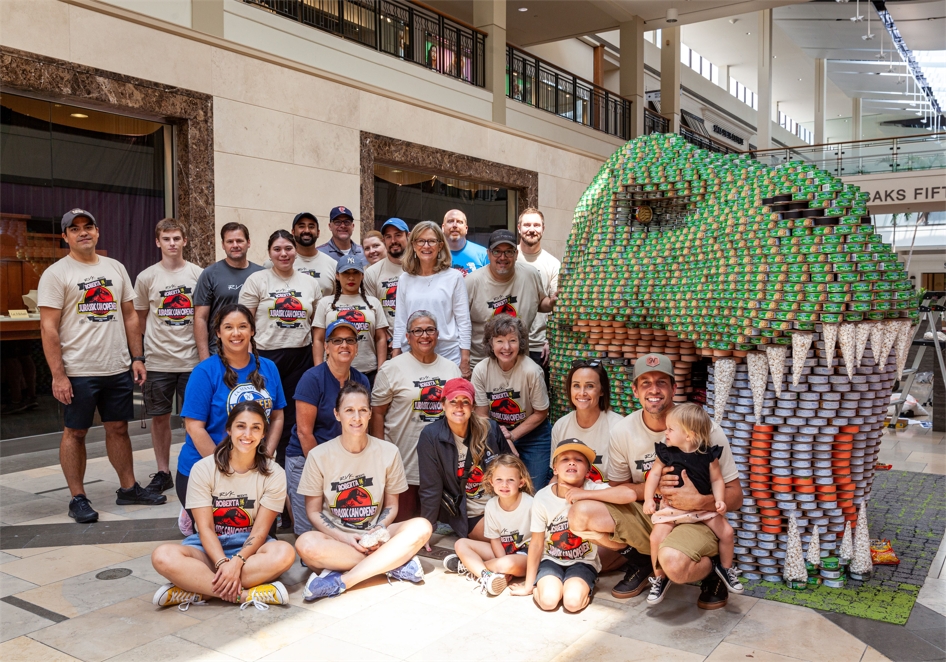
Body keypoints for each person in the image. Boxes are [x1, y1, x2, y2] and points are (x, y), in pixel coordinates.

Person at [566, 354, 744, 610]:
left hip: (696, 517)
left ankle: (711, 571)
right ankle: (642, 561)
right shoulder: (623, 431)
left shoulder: (704, 429)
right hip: (656, 513)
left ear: (673, 388)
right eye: (646, 382)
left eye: (661, 382)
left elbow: (736, 496)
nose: (654, 389)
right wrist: (653, 491)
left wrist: (701, 500)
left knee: (674, 565)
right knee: (580, 515)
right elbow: (619, 491)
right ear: (635, 390)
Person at [38, 208, 166, 524]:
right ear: (65, 236)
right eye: (75, 228)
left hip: (117, 367)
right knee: (75, 432)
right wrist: (58, 374)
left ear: (97, 232)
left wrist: (137, 357)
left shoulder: (116, 268)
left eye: (88, 227)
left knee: (119, 428)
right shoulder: (56, 274)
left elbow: (130, 315)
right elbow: (48, 328)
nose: (83, 232)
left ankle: (128, 488)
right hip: (79, 370)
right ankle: (77, 497)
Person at [295, 382, 433, 601]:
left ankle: (343, 581)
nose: (356, 417)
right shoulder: (318, 455)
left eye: (362, 410)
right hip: (338, 540)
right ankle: (392, 563)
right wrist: (344, 537)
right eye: (349, 410)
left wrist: (378, 530)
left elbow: (391, 506)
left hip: (377, 535)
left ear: (370, 413)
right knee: (305, 545)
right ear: (337, 414)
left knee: (422, 526)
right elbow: (312, 512)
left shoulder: (389, 452)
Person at [151, 401, 294, 610]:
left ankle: (198, 589)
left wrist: (237, 561)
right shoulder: (202, 469)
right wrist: (221, 563)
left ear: (264, 433)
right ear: (229, 429)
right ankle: (246, 595)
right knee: (162, 556)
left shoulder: (274, 473)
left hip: (249, 551)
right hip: (207, 549)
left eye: (256, 427)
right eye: (241, 426)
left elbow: (260, 531)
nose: (248, 434)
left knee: (284, 553)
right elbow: (205, 528)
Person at [176, 304, 286, 511]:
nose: (236, 333)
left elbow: (278, 416)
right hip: (206, 470)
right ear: (218, 333)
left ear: (252, 330)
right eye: (228, 327)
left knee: (262, 540)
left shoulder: (269, 368)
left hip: (253, 470)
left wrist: (266, 456)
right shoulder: (204, 372)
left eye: (242, 326)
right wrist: (225, 468)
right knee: (216, 540)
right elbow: (194, 427)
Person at [509, 440, 635, 613]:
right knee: (548, 601)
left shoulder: (593, 488)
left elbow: (629, 494)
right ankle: (545, 584)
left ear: (588, 471)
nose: (572, 462)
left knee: (572, 603)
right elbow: (537, 543)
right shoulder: (543, 497)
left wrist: (585, 494)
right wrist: (528, 585)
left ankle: (579, 586)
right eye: (565, 459)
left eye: (579, 460)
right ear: (555, 469)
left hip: (583, 561)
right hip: (551, 560)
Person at [642, 403, 742, 604]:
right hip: (672, 509)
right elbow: (653, 475)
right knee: (656, 537)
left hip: (701, 509)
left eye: (671, 429)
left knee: (727, 533)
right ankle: (659, 578)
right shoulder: (666, 453)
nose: (665, 432)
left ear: (689, 435)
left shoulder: (709, 455)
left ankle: (726, 568)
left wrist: (719, 500)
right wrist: (648, 499)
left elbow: (717, 480)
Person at [240, 230, 321, 469]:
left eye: (288, 248)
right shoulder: (257, 280)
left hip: (300, 357)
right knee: (261, 412)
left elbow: (315, 324)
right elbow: (244, 322)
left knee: (293, 417)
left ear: (296, 251)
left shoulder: (310, 283)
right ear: (269, 253)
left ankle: (286, 468)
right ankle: (255, 463)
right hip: (266, 356)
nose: (283, 254)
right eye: (277, 249)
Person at [134, 218, 204, 494]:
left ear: (185, 241)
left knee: (195, 418)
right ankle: (163, 471)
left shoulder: (199, 274)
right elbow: (139, 318)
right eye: (166, 239)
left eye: (177, 238)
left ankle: (194, 467)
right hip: (159, 361)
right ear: (158, 242)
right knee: (160, 417)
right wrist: (144, 353)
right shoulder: (147, 277)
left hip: (192, 361)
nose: (172, 243)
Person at [372, 312, 461, 521]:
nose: (425, 335)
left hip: (441, 465)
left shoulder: (451, 369)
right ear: (407, 336)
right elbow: (377, 413)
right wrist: (379, 455)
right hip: (403, 464)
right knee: (401, 527)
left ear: (437, 334)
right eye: (418, 330)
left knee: (436, 529)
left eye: (430, 329)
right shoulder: (391, 369)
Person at [286, 320, 370, 535]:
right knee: (310, 531)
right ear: (326, 346)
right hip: (307, 459)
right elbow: (305, 432)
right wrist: (325, 473)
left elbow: (361, 427)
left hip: (344, 462)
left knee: (341, 528)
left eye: (350, 340)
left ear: (357, 346)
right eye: (337, 340)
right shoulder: (312, 379)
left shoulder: (361, 381)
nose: (344, 345)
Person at [416, 377, 510, 537]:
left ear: (473, 406)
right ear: (442, 404)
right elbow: (431, 488)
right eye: (453, 401)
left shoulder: (490, 429)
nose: (459, 407)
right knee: (506, 540)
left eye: (465, 401)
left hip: (502, 503)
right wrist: (428, 528)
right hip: (471, 513)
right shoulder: (430, 436)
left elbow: (511, 468)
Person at [472, 315, 551, 490]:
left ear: (521, 343)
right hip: (496, 432)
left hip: (534, 434)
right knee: (502, 487)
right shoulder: (480, 370)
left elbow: (541, 412)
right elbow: (482, 414)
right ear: (490, 344)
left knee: (533, 488)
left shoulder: (531, 371)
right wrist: (503, 439)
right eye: (500, 341)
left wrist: (512, 436)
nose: (506, 347)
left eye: (512, 340)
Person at [442, 453, 534, 596]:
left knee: (506, 564)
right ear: (491, 481)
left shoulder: (530, 504)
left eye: (510, 479)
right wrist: (500, 559)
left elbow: (539, 541)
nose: (504, 484)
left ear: (521, 482)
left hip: (525, 555)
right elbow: (495, 540)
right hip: (503, 550)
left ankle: (472, 567)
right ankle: (488, 574)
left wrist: (502, 563)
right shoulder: (491, 505)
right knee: (461, 544)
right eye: (499, 479)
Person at [391, 221, 471, 377]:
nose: (426, 246)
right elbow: (400, 320)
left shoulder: (454, 277)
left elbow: (463, 321)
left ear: (440, 245)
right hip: (412, 354)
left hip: (448, 354)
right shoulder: (404, 279)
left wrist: (465, 358)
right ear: (413, 245)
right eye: (421, 241)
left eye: (432, 241)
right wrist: (396, 352)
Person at [465, 229, 553, 368]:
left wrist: (553, 302)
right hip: (482, 363)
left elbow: (540, 303)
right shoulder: (471, 282)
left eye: (509, 251)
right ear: (488, 254)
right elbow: (461, 324)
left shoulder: (530, 275)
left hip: (520, 362)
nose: (503, 257)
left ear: (516, 254)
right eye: (497, 251)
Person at [313, 256, 387, 385]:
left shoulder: (373, 302)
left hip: (367, 370)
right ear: (337, 275)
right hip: (333, 372)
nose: (351, 278)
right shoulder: (325, 303)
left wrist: (380, 371)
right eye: (346, 273)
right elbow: (318, 339)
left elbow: (380, 338)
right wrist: (319, 371)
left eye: (355, 273)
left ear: (362, 275)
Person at [194, 222, 263, 359]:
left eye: (239, 241)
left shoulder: (262, 274)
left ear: (248, 243)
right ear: (223, 245)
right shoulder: (210, 274)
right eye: (230, 241)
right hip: (220, 352)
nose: (235, 245)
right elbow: (200, 318)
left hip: (256, 352)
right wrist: (204, 359)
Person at [550, 360, 623, 483]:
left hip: (606, 496)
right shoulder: (560, 426)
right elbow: (557, 477)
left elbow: (622, 484)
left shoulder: (618, 426)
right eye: (576, 385)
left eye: (590, 386)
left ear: (602, 391)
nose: (582, 393)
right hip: (570, 495)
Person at [516, 208, 560, 380]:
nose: (531, 229)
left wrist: (551, 340)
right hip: (511, 344)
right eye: (527, 225)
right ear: (519, 228)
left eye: (536, 225)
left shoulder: (553, 264)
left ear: (543, 228)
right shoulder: (508, 259)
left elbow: (555, 306)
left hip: (539, 348)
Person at [263, 212, 337, 297]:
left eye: (311, 227)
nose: (306, 230)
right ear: (293, 232)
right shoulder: (273, 263)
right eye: (301, 226)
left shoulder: (333, 265)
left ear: (318, 232)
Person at [365, 218, 408, 332]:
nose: (393, 240)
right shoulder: (372, 273)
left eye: (398, 235)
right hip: (387, 343)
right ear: (384, 240)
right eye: (388, 236)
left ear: (408, 236)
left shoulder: (421, 267)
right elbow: (372, 313)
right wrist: (386, 339)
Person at [442, 209, 488, 275]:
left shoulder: (483, 254)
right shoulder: (434, 254)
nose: (455, 225)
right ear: (443, 228)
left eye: (459, 222)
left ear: (466, 229)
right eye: (450, 221)